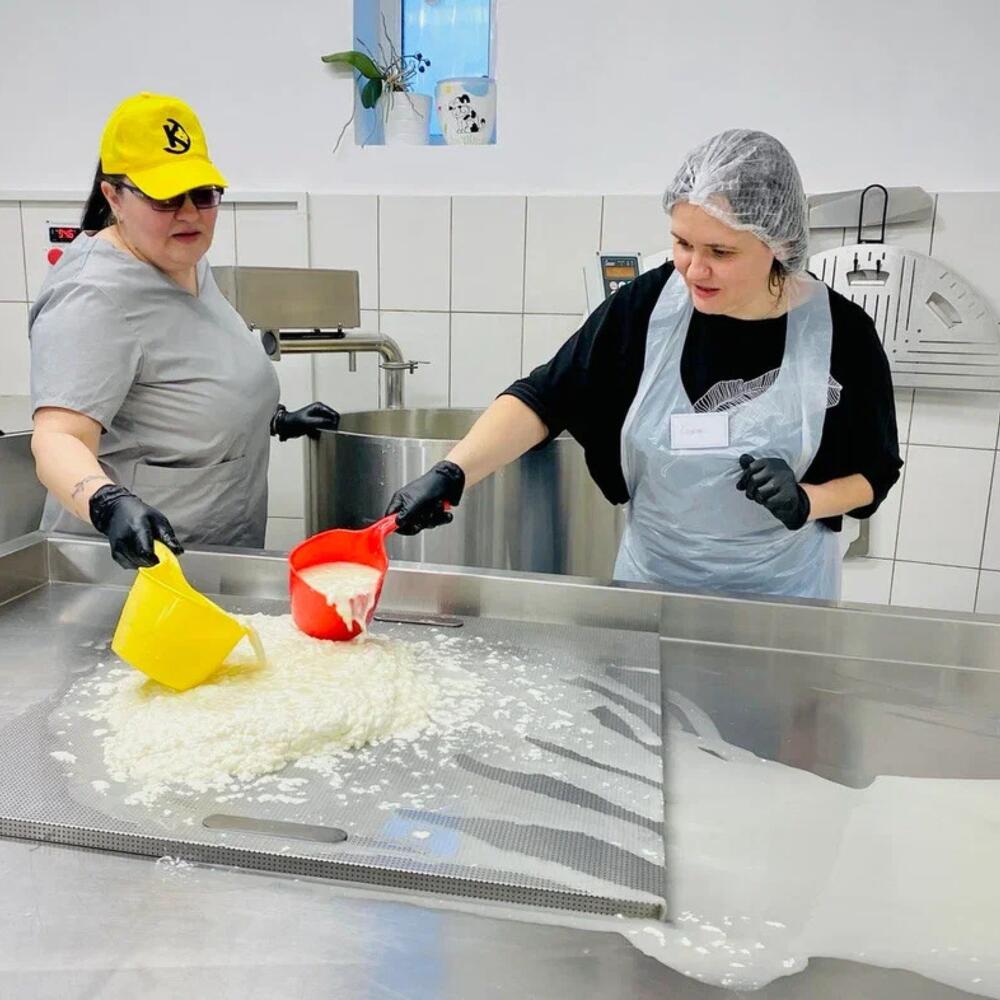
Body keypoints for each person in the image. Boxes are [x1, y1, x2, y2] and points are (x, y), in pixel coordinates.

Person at [385, 129, 902, 601]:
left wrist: (806, 501)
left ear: (779, 245)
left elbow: (876, 473)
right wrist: (453, 472)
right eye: (683, 243)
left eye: (721, 252)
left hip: (784, 597)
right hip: (651, 586)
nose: (694, 269)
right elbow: (545, 397)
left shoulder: (840, 333)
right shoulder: (650, 306)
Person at [29, 92, 339, 569]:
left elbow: (180, 383)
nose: (190, 213)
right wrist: (106, 502)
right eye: (165, 198)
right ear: (114, 196)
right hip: (132, 572)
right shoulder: (93, 296)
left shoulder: (184, 261)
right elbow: (57, 439)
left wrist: (268, 417)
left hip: (213, 558)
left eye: (203, 194)